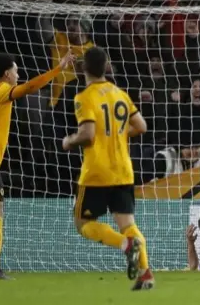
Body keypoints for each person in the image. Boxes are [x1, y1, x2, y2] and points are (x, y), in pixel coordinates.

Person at [0, 52, 77, 280]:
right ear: (6, 74)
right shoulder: (3, 91)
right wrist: (58, 69)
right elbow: (30, 87)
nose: (18, 74)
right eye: (15, 70)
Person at [61, 47, 153, 291]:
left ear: (83, 68)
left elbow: (88, 135)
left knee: (82, 223)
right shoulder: (120, 94)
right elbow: (141, 126)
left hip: (96, 172)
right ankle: (145, 274)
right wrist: (119, 135)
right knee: (127, 223)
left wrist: (69, 141)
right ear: (106, 67)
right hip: (123, 169)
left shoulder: (84, 97)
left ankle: (125, 245)